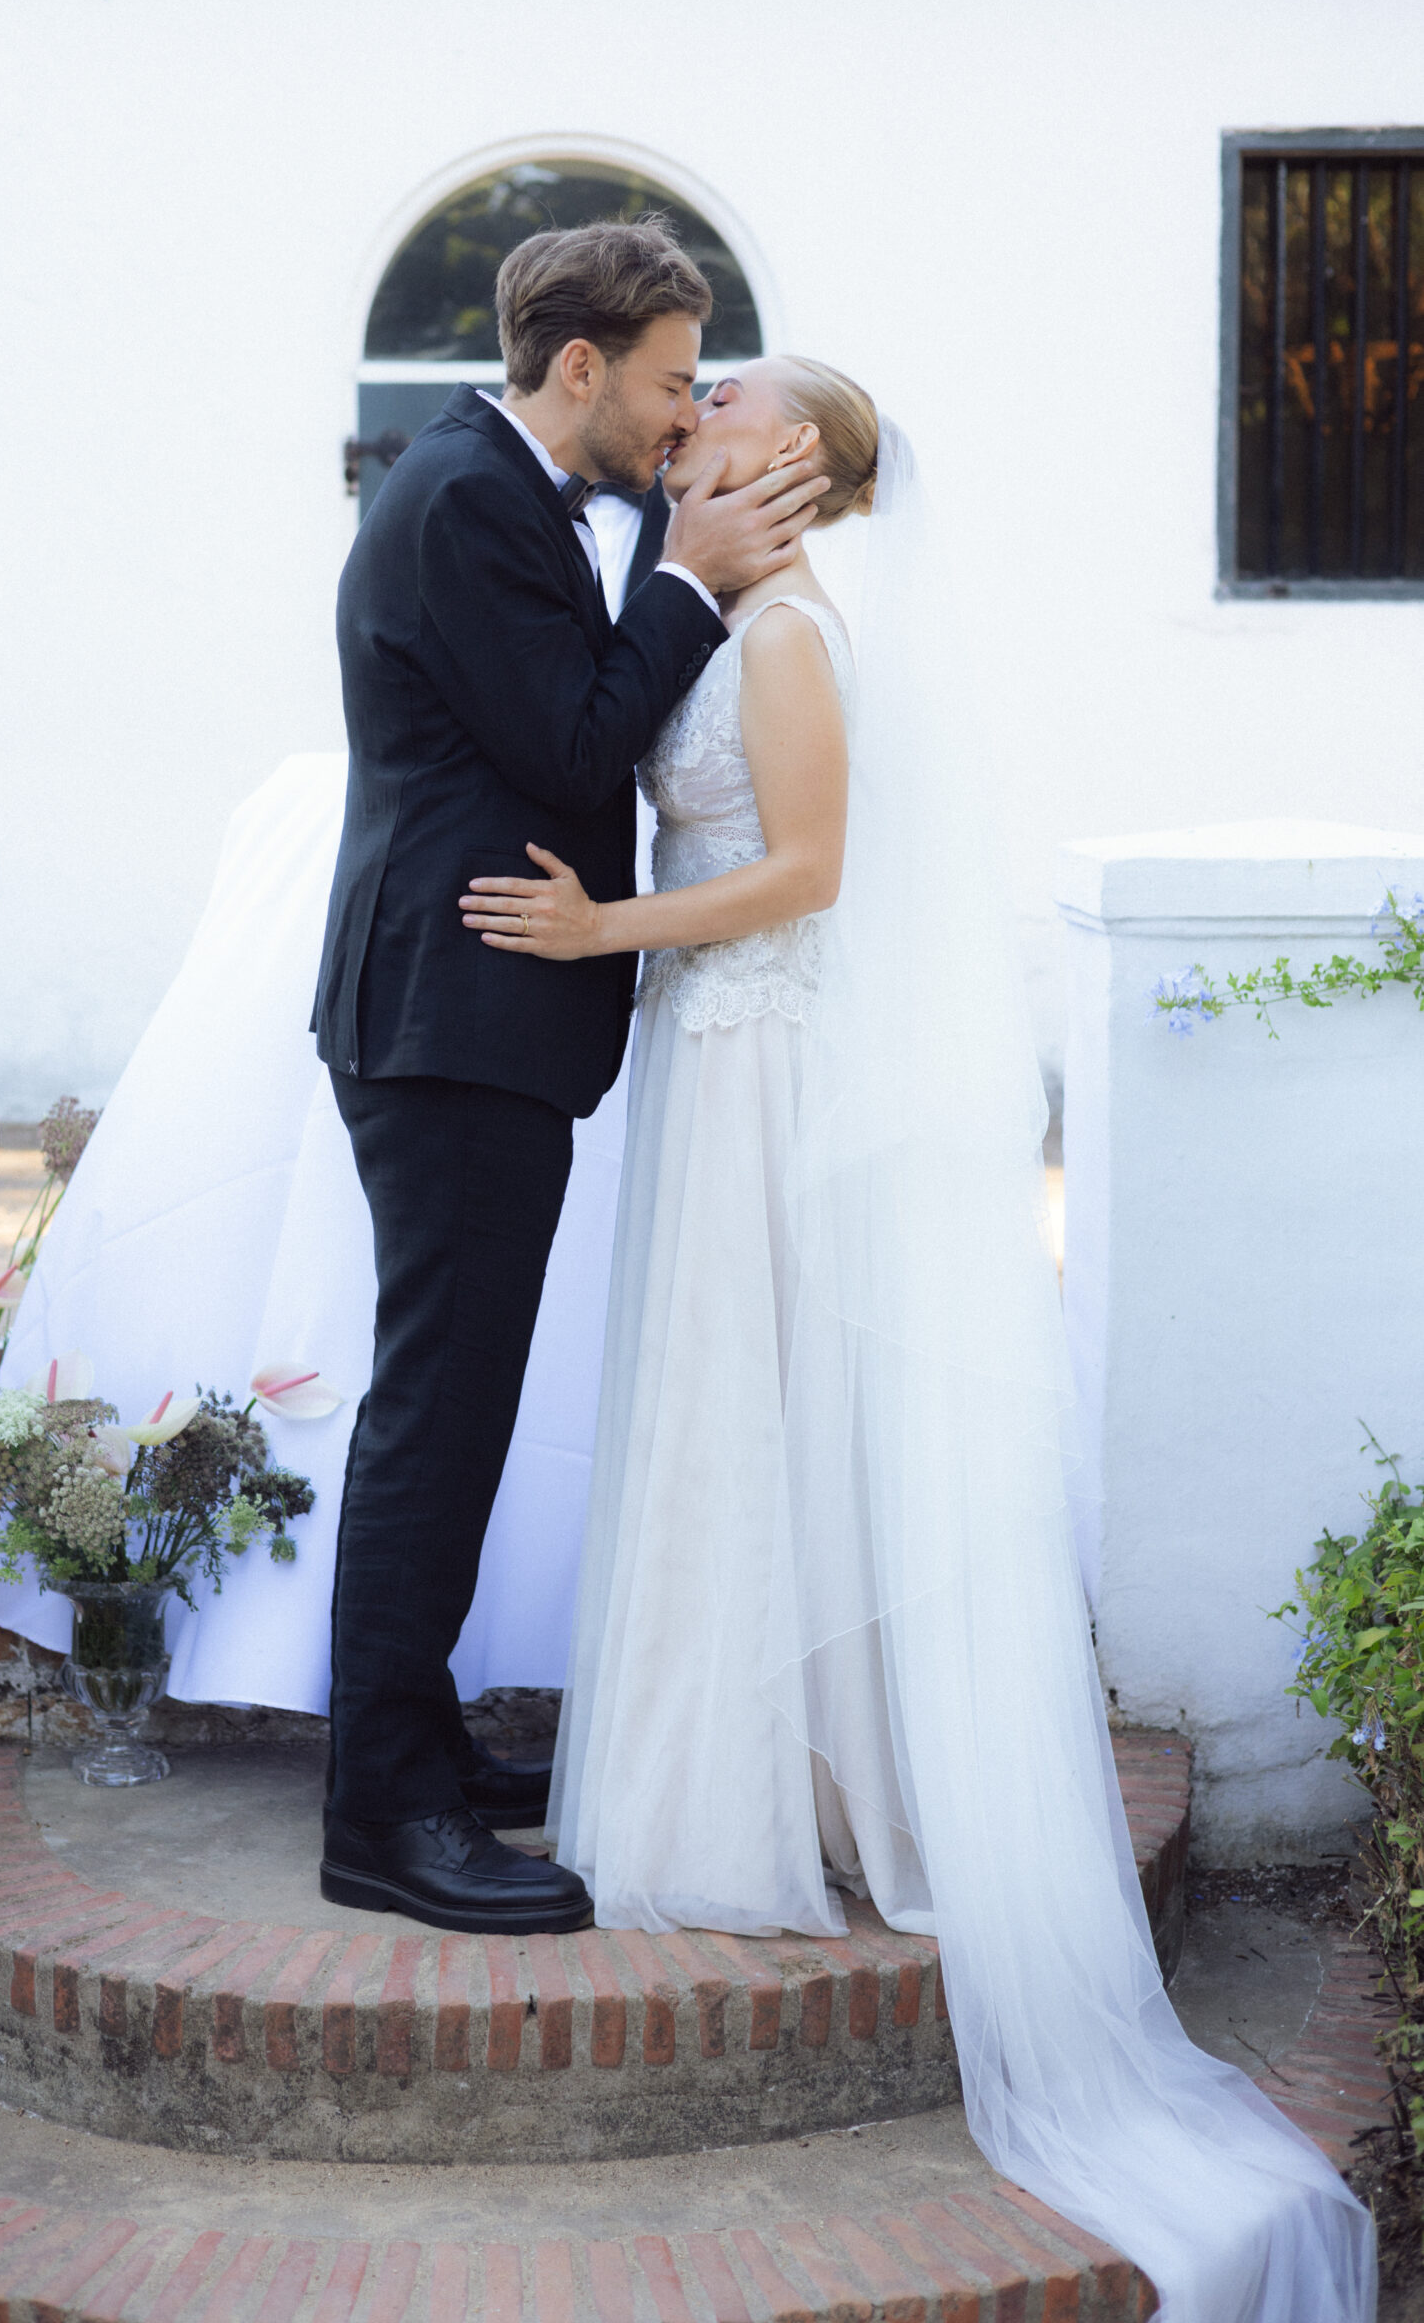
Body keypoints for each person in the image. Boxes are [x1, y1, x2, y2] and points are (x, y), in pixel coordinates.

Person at [458, 359, 1376, 2321]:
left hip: (764, 1056)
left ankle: (789, 1781)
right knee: (714, 1417)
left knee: (760, 1406)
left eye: (733, 387)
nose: (692, 392)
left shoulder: (793, 633)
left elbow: (806, 872)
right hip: (712, 1059)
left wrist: (595, 930)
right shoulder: (720, 602)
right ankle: (736, 1765)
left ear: (791, 459)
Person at [310, 218, 829, 1936]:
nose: (686, 416)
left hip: (484, 1014)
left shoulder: (501, 487)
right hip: (451, 1015)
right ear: (582, 366)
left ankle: (421, 1751)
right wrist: (689, 578)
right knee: (433, 1418)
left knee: (456, 1410)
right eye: (675, 379)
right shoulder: (468, 495)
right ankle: (381, 1819)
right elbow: (577, 739)